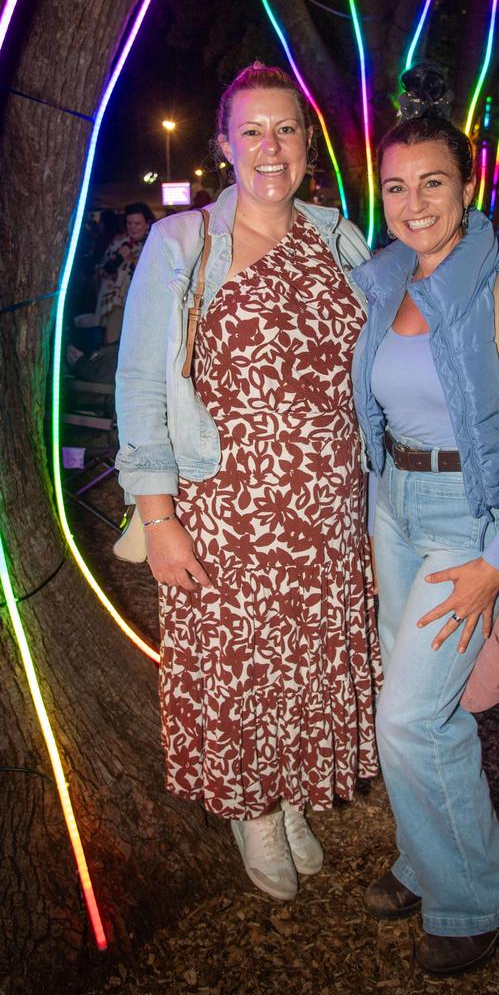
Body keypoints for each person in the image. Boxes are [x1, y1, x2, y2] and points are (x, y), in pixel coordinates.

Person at [115, 63, 380, 902]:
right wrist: (158, 517)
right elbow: (142, 385)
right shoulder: (184, 243)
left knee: (307, 664)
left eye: (287, 130)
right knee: (241, 669)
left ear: (308, 144)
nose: (272, 147)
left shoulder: (340, 239)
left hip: (330, 511)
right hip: (229, 510)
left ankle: (293, 794)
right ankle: (252, 808)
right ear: (226, 146)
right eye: (252, 131)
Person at [351, 64, 499, 978]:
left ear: (466, 185)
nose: (413, 204)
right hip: (393, 507)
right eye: (397, 187)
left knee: (408, 716)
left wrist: (494, 560)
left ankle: (480, 892)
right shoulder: (382, 282)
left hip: (468, 518)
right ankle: (424, 858)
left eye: (432, 184)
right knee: (422, 711)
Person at [96, 202, 155, 344]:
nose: (133, 228)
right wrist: (119, 259)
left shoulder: (154, 244)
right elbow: (102, 270)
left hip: (144, 305)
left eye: (137, 223)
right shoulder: (119, 244)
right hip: (117, 303)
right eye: (129, 223)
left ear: (147, 223)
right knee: (112, 343)